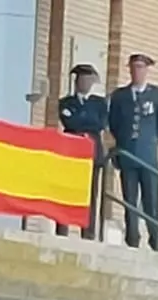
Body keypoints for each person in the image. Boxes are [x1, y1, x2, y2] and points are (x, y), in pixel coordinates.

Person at [109, 53, 158, 252]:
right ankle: (132, 237)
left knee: (151, 200)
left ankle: (155, 238)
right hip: (128, 154)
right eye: (134, 67)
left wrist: (150, 144)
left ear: (146, 70)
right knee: (130, 199)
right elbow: (114, 123)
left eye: (141, 67)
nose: (137, 71)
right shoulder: (120, 96)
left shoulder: (155, 95)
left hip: (148, 156)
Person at [57, 63, 109, 240]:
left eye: (89, 80)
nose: (85, 83)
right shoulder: (65, 102)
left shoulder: (99, 104)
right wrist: (85, 121)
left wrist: (81, 119)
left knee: (90, 196)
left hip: (92, 155)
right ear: (76, 81)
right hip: (71, 153)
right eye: (82, 79)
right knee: (66, 192)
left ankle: (88, 233)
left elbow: (100, 124)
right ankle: (62, 230)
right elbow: (69, 123)